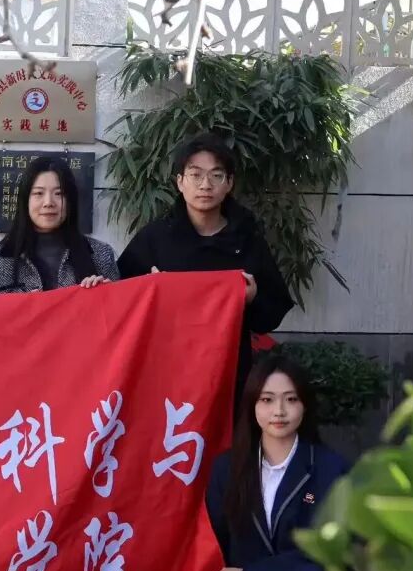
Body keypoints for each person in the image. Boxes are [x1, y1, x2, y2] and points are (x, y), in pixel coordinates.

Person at [202, 354, 350, 571]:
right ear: (252, 406)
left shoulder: (330, 467)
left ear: (305, 406)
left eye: (291, 400)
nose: (279, 412)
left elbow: (327, 551)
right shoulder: (228, 469)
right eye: (267, 400)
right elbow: (221, 536)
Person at [117, 133, 293, 399]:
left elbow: (271, 314)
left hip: (229, 370)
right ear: (180, 182)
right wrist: (148, 290)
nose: (205, 185)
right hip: (166, 370)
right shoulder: (155, 238)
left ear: (229, 183)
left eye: (216, 175)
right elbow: (121, 300)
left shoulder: (246, 239)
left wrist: (252, 299)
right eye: (195, 175)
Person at [0, 155, 118, 294]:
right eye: (38, 193)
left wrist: (107, 294)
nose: (48, 202)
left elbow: (120, 309)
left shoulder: (101, 255)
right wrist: (22, 306)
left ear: (70, 201)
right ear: (25, 200)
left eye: (59, 193)